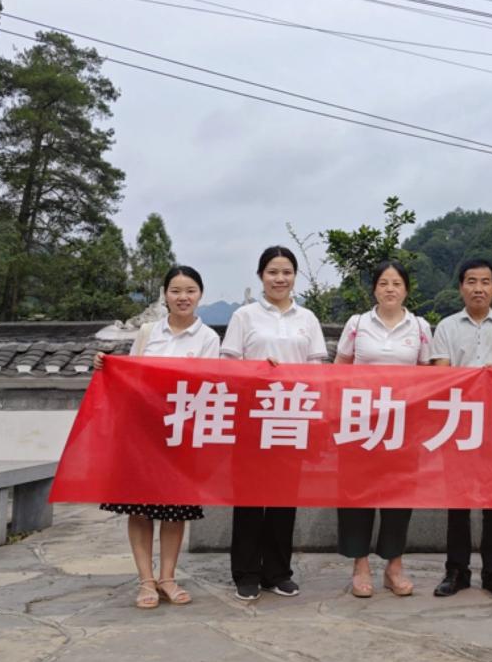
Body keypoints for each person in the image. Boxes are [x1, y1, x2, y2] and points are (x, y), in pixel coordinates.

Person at [97, 265, 220, 609]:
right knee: (139, 509)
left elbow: (209, 386)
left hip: (181, 434)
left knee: (175, 509)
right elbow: (130, 376)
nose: (183, 297)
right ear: (165, 294)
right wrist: (106, 366)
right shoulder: (148, 332)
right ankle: (145, 580)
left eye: (190, 291)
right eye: (176, 291)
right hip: (141, 432)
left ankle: (167, 577)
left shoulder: (208, 338)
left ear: (200, 295)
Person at [221, 245, 329, 602]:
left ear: (294, 276)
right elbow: (228, 367)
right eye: (272, 272)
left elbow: (316, 371)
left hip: (292, 417)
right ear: (260, 276)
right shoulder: (244, 316)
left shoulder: (307, 318)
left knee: (284, 499)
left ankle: (278, 572)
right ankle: (246, 572)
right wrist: (257, 370)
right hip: (252, 418)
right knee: (249, 498)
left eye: (286, 272)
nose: (279, 278)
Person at [430, 258, 492, 599]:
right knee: (457, 502)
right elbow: (440, 374)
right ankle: (456, 571)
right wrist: (471, 378)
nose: (478, 288)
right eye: (471, 281)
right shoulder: (446, 327)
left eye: (485, 282)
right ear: (461, 287)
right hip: (457, 424)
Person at [335, 259, 433, 597]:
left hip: (403, 425)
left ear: (406, 290)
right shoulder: (357, 323)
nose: (390, 289)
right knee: (356, 494)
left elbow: (428, 374)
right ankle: (360, 565)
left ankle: (394, 566)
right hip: (359, 423)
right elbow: (341, 366)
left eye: (396, 283)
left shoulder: (419, 326)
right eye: (383, 283)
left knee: (399, 495)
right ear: (374, 289)